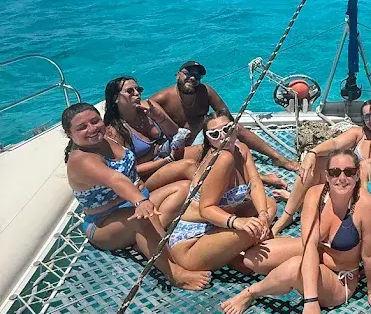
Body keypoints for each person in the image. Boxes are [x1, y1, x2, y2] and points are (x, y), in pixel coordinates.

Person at [221, 149, 371, 314]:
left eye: (349, 172)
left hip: (340, 278)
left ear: (357, 174)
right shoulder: (316, 195)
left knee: (293, 267)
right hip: (316, 254)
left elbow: (369, 254)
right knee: (252, 260)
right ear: (327, 175)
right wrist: (311, 299)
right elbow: (310, 245)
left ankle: (250, 293)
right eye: (335, 172)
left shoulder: (367, 206)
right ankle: (287, 277)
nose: (342, 178)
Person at [62, 102, 210, 290]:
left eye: (95, 121)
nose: (91, 129)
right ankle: (174, 273)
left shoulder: (107, 138)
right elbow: (116, 180)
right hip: (104, 223)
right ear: (69, 134)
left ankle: (144, 239)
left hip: (136, 200)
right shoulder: (81, 160)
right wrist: (139, 200)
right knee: (142, 219)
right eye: (82, 127)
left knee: (182, 188)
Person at [163, 113, 300, 276]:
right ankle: (237, 252)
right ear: (208, 140)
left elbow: (255, 183)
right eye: (214, 134)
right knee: (251, 230)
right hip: (191, 243)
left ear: (236, 129)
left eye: (227, 129)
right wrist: (238, 222)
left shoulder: (241, 149)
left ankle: (233, 252)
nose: (223, 136)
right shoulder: (222, 159)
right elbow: (205, 209)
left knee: (269, 205)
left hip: (217, 224)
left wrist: (262, 215)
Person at [150, 61, 298, 180]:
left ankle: (278, 158)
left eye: (197, 76)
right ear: (177, 75)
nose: (193, 78)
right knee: (220, 155)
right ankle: (259, 177)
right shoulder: (163, 98)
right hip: (182, 147)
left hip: (205, 134)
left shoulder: (205, 91)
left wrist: (225, 131)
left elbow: (226, 115)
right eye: (187, 74)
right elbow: (145, 117)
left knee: (235, 128)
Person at [271, 97, 371, 235]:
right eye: (367, 116)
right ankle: (287, 215)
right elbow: (335, 143)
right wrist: (312, 153)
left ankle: (295, 200)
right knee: (319, 161)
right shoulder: (359, 134)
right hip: (348, 185)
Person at [104, 76, 197, 190]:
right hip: (146, 176)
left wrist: (160, 117)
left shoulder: (149, 106)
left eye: (139, 90)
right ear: (115, 98)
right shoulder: (114, 131)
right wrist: (166, 159)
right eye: (130, 91)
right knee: (188, 166)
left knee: (207, 150)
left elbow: (175, 134)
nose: (137, 93)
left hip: (168, 154)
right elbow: (129, 170)